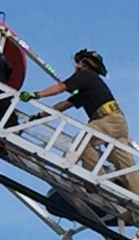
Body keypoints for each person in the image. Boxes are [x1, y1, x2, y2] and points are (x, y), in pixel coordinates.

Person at [20, 49, 139, 193]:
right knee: (125, 165)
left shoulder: (85, 75)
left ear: (83, 63)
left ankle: (95, 179)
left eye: (77, 63)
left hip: (106, 120)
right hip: (117, 122)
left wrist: (36, 95)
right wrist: (40, 115)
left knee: (83, 140)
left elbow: (61, 87)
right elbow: (65, 104)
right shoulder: (89, 85)